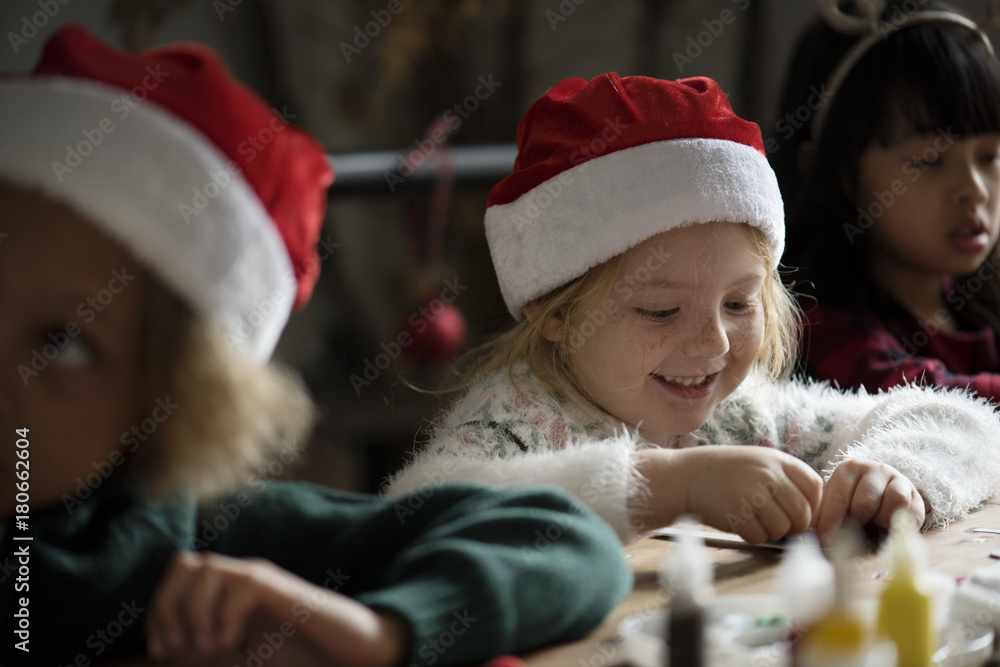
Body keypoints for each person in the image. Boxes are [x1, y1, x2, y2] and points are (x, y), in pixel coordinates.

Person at [0, 25, 631, 666]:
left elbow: (564, 542)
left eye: (62, 345)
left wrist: (386, 631)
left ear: (169, 403)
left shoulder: (184, 540)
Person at [385, 72, 1000, 548]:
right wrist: (666, 489)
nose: (712, 343)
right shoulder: (517, 420)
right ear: (557, 311)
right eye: (659, 310)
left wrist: (895, 470)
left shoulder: (742, 414)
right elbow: (416, 513)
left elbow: (968, 426)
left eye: (739, 302)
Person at [772, 0, 1000, 397]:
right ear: (839, 175)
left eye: (991, 156)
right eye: (929, 161)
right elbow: (932, 402)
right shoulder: (813, 329)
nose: (976, 189)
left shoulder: (980, 310)